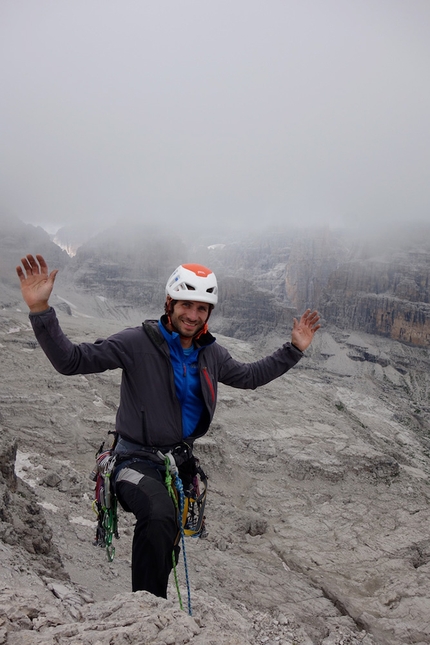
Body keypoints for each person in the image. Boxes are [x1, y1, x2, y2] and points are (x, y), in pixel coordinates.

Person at [16, 253, 320, 598]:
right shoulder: (135, 343)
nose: (192, 315)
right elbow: (71, 361)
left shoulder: (211, 354)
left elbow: (249, 376)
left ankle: (154, 603)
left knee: (167, 531)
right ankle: (145, 608)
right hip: (132, 461)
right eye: (186, 305)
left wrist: (294, 349)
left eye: (202, 308)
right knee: (159, 514)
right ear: (169, 303)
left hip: (176, 464)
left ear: (209, 313)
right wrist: (41, 311)